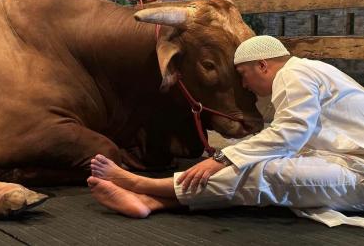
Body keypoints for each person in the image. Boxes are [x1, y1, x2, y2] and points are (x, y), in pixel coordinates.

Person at [87, 35, 364, 227]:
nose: (243, 85)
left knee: (262, 172)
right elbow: (286, 136)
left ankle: (140, 184)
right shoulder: (309, 73)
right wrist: (230, 155)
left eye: (243, 74)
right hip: (344, 163)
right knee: (253, 163)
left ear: (263, 65)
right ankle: (151, 202)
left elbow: (291, 133)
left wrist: (221, 158)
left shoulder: (295, 74)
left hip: (358, 174)